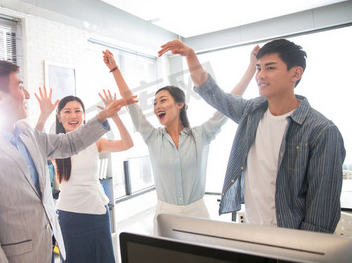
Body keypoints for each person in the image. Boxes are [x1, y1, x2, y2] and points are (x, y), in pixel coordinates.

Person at [0, 59, 136, 263]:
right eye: (20, 86)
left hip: (47, 251)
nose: (27, 94)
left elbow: (68, 144)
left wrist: (105, 115)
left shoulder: (28, 133)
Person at [159, 39, 346, 233]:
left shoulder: (322, 131)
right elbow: (212, 93)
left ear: (296, 73)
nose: (261, 76)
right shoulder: (251, 112)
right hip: (253, 234)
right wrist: (191, 56)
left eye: (270, 68)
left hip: (291, 241)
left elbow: (321, 215)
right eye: (258, 68)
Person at [102, 48, 256, 233]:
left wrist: (252, 68)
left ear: (180, 104)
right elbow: (132, 103)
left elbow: (229, 102)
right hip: (165, 214)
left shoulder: (202, 135)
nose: (157, 106)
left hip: (197, 213)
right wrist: (115, 69)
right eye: (155, 103)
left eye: (163, 100)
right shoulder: (152, 137)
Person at [35, 89, 133, 263]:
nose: (73, 115)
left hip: (97, 212)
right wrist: (43, 115)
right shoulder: (56, 144)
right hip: (69, 215)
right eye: (67, 111)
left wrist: (114, 115)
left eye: (78, 111)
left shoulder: (95, 141)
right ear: (59, 117)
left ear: (84, 115)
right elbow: (33, 145)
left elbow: (127, 143)